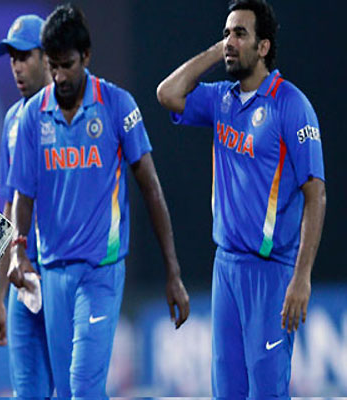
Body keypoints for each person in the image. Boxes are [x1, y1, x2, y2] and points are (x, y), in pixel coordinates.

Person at [7, 4, 190, 397]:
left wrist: (172, 272)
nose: (59, 76)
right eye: (53, 66)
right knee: (65, 391)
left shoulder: (117, 105)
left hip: (101, 269)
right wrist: (18, 251)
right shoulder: (32, 117)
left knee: (83, 387)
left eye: (67, 65)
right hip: (54, 271)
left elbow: (150, 187)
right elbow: (22, 195)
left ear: (86, 56)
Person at [156, 0, 326, 397]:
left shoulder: (291, 106)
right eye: (226, 33)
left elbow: (316, 194)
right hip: (226, 268)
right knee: (227, 391)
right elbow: (167, 93)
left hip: (272, 272)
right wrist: (220, 51)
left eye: (240, 34)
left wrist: (301, 277)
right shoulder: (221, 99)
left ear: (263, 47)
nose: (230, 41)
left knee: (267, 391)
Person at [0, 14, 54, 397]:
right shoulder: (13, 119)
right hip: (22, 275)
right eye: (12, 58)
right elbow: (7, 212)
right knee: (28, 392)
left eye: (24, 56)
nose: (16, 66)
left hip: (64, 270)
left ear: (47, 57)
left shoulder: (67, 112)